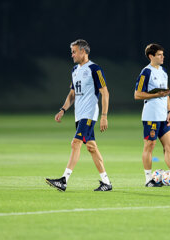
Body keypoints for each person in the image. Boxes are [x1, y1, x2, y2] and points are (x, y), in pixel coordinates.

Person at [45, 39, 112, 192]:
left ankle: (63, 180)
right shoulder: (75, 70)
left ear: (83, 51)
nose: (72, 55)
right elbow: (72, 94)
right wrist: (63, 109)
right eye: (72, 52)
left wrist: (104, 116)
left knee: (75, 143)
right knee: (91, 147)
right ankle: (106, 182)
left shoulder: (95, 69)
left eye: (74, 51)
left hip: (89, 113)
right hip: (79, 114)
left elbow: (105, 93)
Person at [134, 43, 170, 187]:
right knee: (150, 146)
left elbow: (166, 93)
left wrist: (169, 111)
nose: (162, 57)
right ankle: (148, 179)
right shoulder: (146, 72)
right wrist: (155, 95)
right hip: (151, 115)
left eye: (162, 54)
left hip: (163, 115)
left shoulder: (164, 71)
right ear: (151, 56)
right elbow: (137, 94)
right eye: (159, 55)